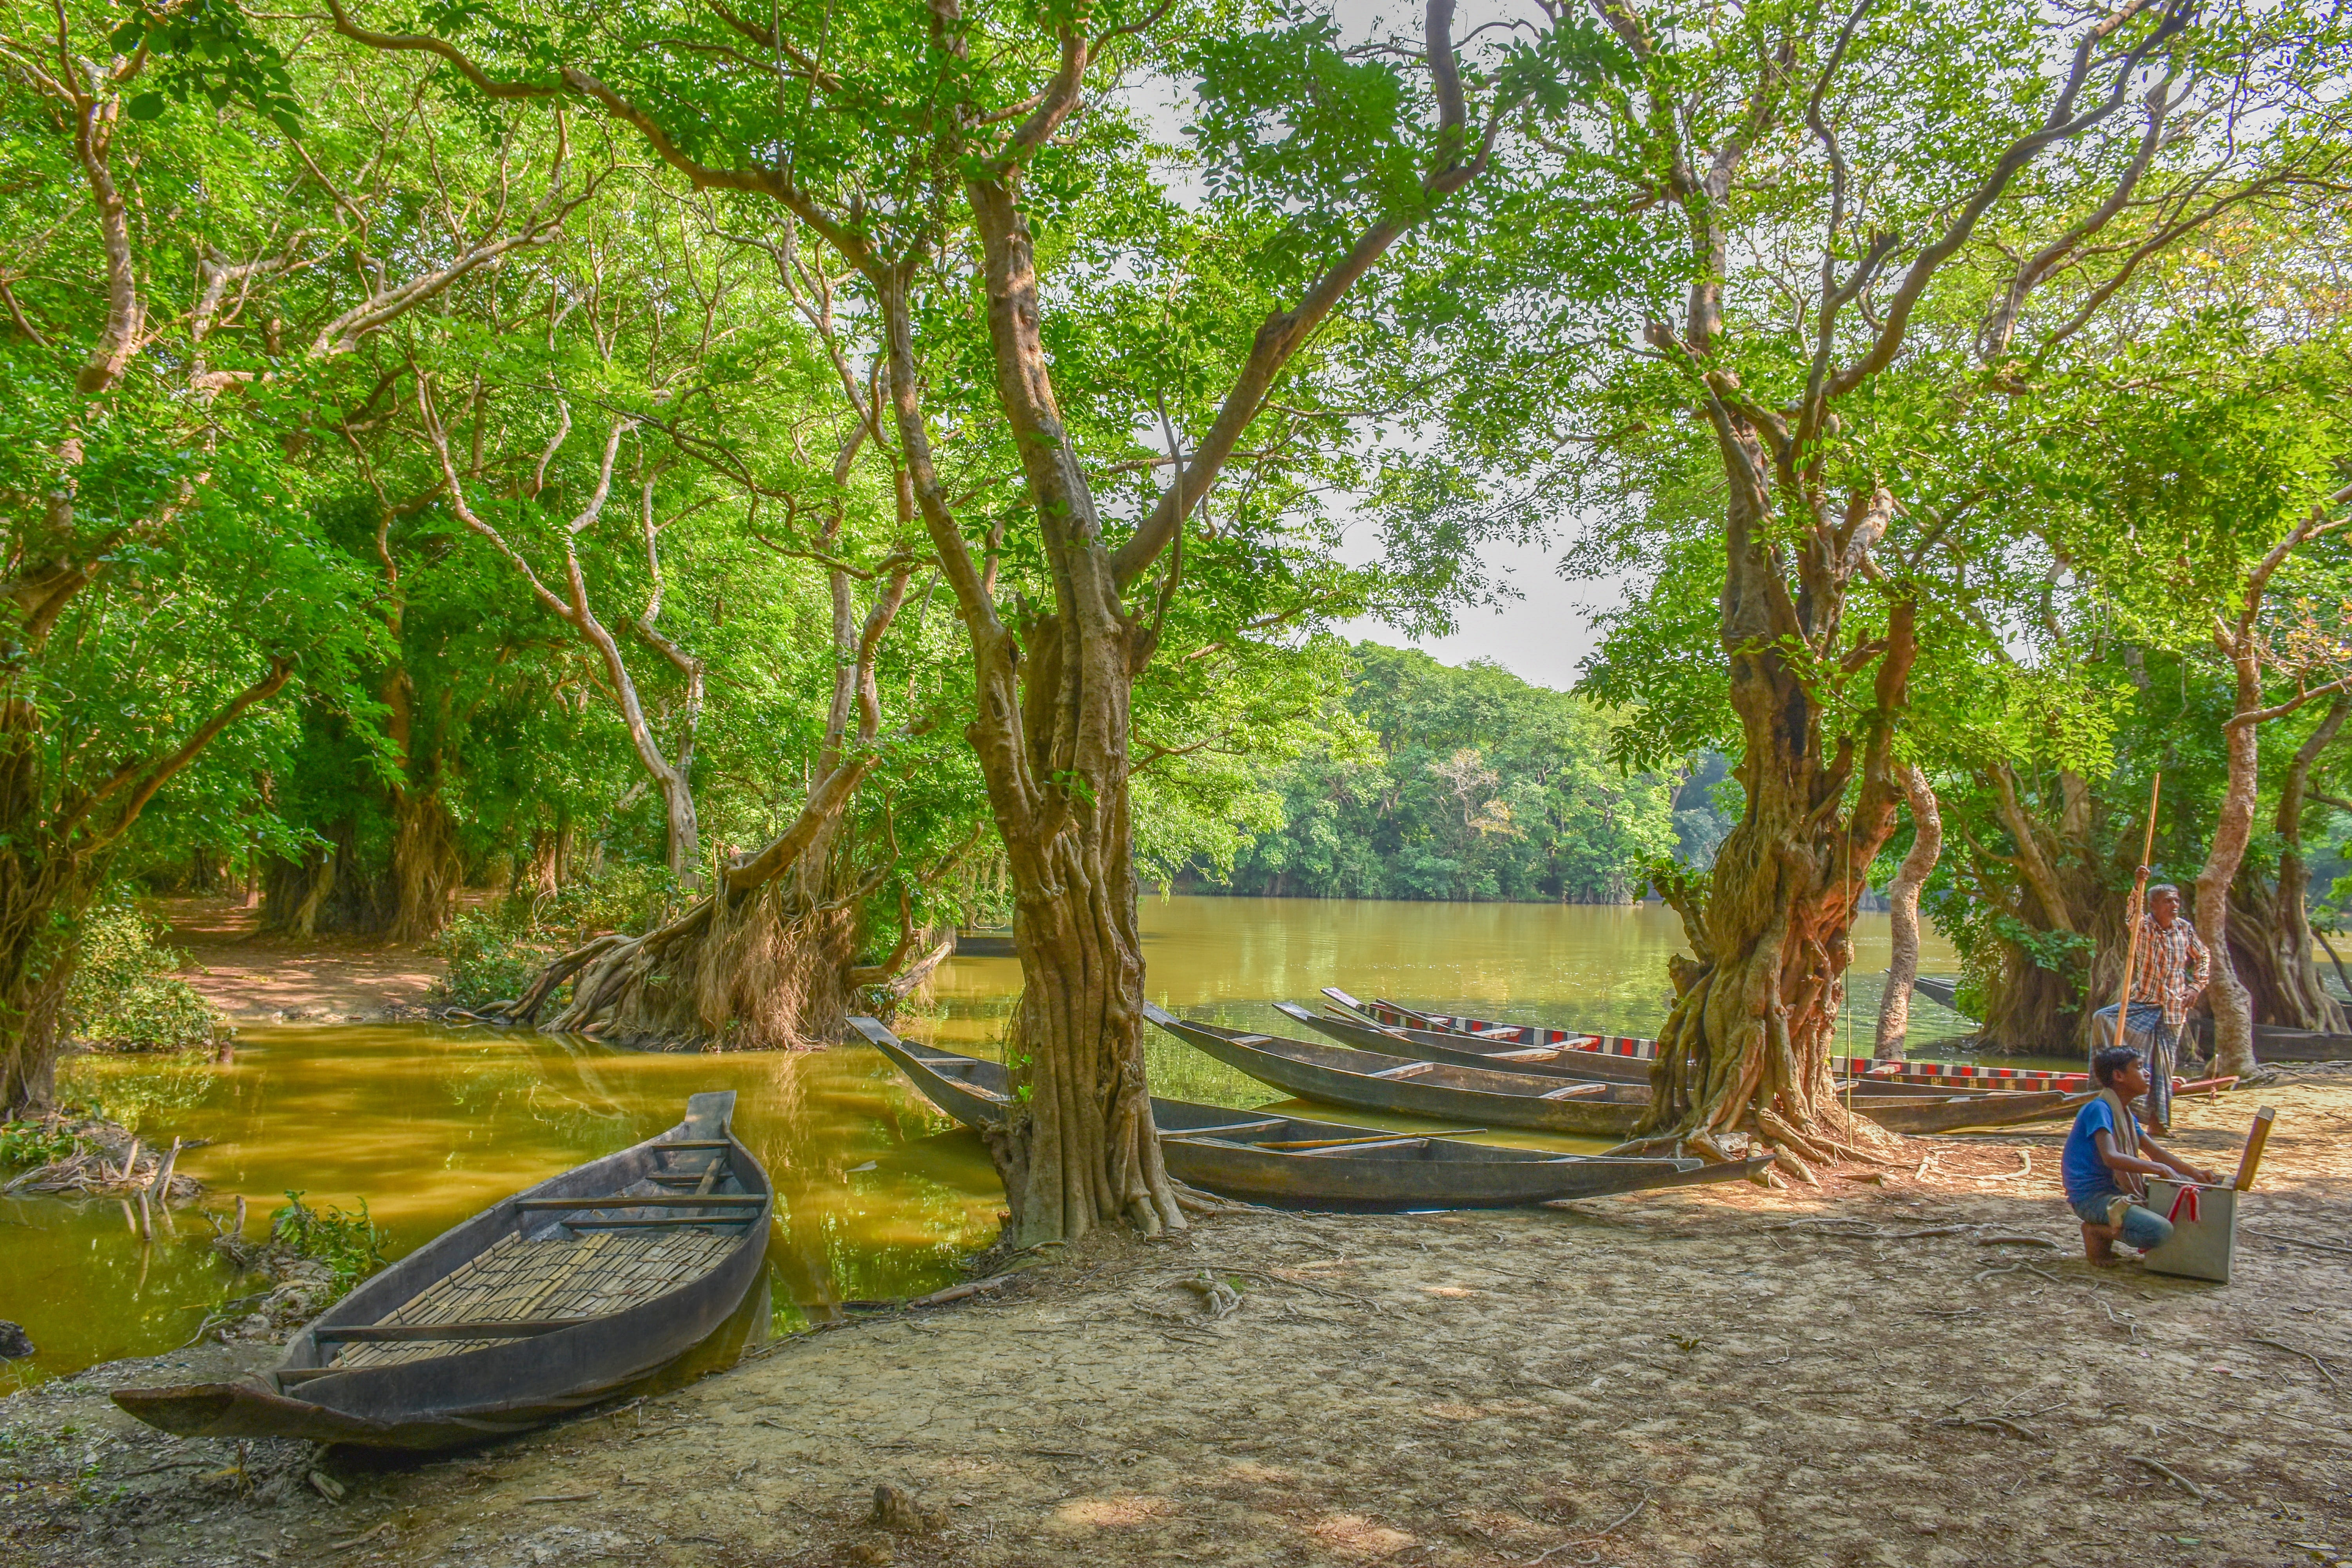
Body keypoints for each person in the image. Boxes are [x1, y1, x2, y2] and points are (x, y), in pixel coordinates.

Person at [2063, 1044, 2221, 1265]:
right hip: (2092, 1198)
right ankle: (2096, 1231)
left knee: (2182, 1191)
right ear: (2119, 1076)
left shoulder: (2125, 1115)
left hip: (2115, 1189)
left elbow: (2155, 1152)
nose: (2147, 1073)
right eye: (2139, 1067)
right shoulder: (2098, 1109)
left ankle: (2108, 1230)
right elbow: (2111, 1157)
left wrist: (2194, 1173)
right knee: (2160, 1231)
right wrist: (2158, 1169)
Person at [2091, 876, 2209, 1134]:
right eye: (2168, 901)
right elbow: (2131, 914)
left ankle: (2159, 1123)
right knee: (2103, 1018)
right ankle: (2112, 1098)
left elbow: (2204, 957)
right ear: (2154, 904)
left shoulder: (2184, 929)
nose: (2174, 905)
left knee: (2164, 1066)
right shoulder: (2143, 927)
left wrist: (2195, 987)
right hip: (2142, 1003)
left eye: (2177, 900)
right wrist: (2137, 885)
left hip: (2173, 1009)